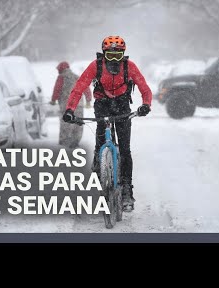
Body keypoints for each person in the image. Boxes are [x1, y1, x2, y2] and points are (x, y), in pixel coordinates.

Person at [62, 36, 152, 212]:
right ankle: (99, 164)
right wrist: (70, 110)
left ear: (123, 55)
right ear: (103, 54)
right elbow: (79, 88)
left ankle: (126, 189)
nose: (114, 60)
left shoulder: (129, 67)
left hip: (123, 105)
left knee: (125, 150)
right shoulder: (95, 66)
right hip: (102, 104)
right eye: (110, 56)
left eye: (118, 56)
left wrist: (145, 105)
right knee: (101, 139)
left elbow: (145, 88)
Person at [50, 61, 92, 148]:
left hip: (66, 106)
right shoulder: (77, 77)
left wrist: (53, 100)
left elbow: (57, 89)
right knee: (78, 123)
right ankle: (75, 141)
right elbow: (86, 88)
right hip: (78, 105)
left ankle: (64, 142)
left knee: (65, 123)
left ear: (61, 69)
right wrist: (88, 100)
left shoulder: (61, 77)